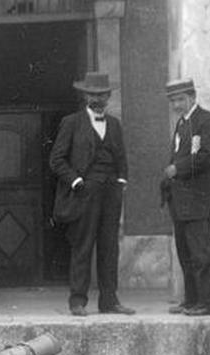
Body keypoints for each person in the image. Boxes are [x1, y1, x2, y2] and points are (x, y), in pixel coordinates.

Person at [49, 72, 134, 316]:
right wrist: (76, 181)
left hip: (111, 194)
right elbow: (56, 159)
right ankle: (77, 301)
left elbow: (122, 159)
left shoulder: (115, 124)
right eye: (93, 94)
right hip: (84, 193)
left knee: (109, 248)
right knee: (82, 246)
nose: (98, 99)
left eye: (102, 95)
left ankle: (109, 301)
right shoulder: (72, 122)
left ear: (108, 96)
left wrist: (121, 181)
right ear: (85, 96)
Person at [162, 78, 210, 316]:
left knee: (201, 250)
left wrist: (179, 169)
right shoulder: (182, 123)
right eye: (173, 100)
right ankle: (191, 300)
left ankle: (208, 303)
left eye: (180, 99)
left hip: (198, 198)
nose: (176, 104)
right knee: (185, 251)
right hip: (179, 198)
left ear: (193, 97)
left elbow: (209, 155)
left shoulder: (209, 121)